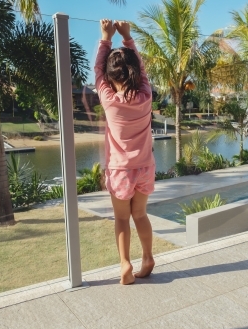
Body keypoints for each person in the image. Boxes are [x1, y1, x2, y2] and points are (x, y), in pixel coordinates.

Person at [95, 19, 155, 285]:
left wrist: (105, 38)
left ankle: (125, 264)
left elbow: (97, 70)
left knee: (121, 218)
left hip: (120, 170)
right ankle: (148, 256)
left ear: (109, 78)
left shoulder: (109, 100)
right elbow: (141, 72)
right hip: (145, 168)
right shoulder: (145, 96)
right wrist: (126, 38)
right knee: (140, 215)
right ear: (133, 73)